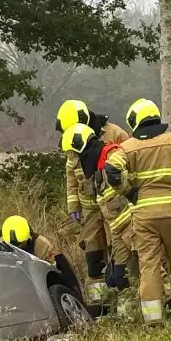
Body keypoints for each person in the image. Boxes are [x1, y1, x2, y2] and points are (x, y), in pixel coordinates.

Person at [104, 98, 171, 324]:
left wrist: (130, 193)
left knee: (149, 266)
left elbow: (111, 169)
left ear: (134, 120)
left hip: (144, 216)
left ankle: (153, 321)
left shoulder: (129, 146)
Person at [55, 100, 130, 312]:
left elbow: (130, 163)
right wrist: (73, 208)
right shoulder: (72, 139)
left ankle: (125, 300)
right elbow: (71, 176)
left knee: (121, 252)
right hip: (89, 209)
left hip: (113, 205)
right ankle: (99, 306)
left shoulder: (114, 133)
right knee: (94, 256)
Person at [1, 215, 84, 304]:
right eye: (14, 246)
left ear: (29, 237)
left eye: (21, 245)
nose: (18, 248)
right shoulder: (3, 243)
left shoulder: (42, 245)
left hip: (38, 281)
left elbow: (51, 270)